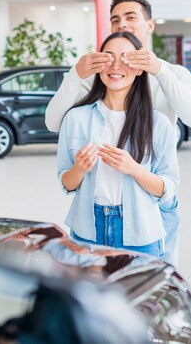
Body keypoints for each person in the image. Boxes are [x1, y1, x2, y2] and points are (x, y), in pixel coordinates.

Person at [46, 0, 191, 265]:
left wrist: (157, 69)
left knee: (155, 281)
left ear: (150, 25)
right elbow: (54, 122)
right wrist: (76, 74)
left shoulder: (172, 73)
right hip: (96, 209)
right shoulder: (102, 76)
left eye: (130, 17)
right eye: (115, 19)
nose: (122, 24)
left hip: (152, 197)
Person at [57, 31, 179, 258]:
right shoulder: (75, 119)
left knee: (138, 295)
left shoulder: (159, 123)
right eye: (108, 57)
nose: (115, 66)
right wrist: (79, 169)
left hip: (140, 235)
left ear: (139, 68)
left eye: (125, 58)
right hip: (87, 233)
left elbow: (168, 188)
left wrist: (134, 169)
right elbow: (66, 182)